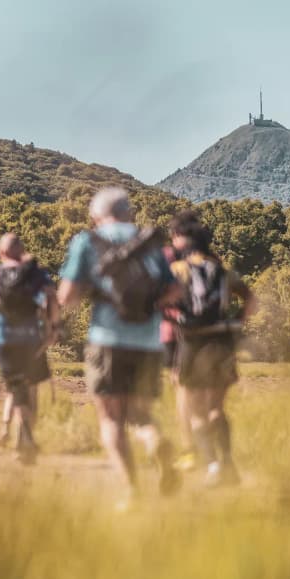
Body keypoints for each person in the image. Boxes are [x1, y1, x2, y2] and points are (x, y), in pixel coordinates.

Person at [58, 187, 183, 510]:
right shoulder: (151, 243)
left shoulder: (87, 241)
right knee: (140, 414)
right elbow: (174, 291)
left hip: (107, 338)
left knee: (111, 418)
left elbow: (67, 296)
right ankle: (157, 443)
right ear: (129, 213)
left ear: (96, 215)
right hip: (149, 342)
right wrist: (148, 303)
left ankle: (131, 491)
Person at [169, 218, 255, 488]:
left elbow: (161, 302)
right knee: (216, 408)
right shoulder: (223, 270)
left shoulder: (178, 269)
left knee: (194, 410)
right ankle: (228, 463)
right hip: (222, 340)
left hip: (192, 343)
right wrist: (239, 320)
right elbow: (251, 300)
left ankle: (212, 465)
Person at [0, 234, 59, 465]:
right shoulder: (37, 274)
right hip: (31, 340)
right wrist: (53, 329)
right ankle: (25, 439)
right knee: (29, 392)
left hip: (4, 340)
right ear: (22, 252)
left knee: (17, 389)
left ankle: (24, 440)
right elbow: (53, 302)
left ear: (1, 253)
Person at [163, 210, 201, 471]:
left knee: (181, 389)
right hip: (207, 331)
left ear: (175, 234)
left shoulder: (168, 257)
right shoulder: (208, 258)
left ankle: (190, 450)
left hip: (173, 329)